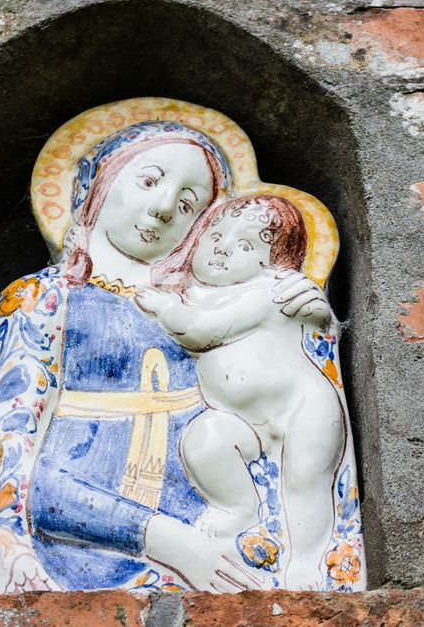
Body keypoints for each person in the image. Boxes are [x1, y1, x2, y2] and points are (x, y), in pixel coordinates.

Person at [0, 121, 327, 594]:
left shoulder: (210, 312)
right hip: (65, 565)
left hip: (215, 560)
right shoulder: (41, 300)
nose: (164, 208)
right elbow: (3, 470)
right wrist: (173, 544)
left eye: (188, 205)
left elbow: (286, 423)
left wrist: (301, 324)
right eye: (148, 181)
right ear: (99, 184)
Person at [136, 194, 347, 588]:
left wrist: (165, 309)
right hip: (241, 420)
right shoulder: (196, 291)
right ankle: (238, 507)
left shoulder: (269, 293)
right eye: (215, 234)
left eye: (246, 245)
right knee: (205, 440)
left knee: (304, 483)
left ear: (272, 264)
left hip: (303, 408)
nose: (223, 248)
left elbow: (201, 331)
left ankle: (304, 563)